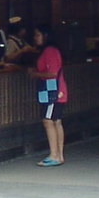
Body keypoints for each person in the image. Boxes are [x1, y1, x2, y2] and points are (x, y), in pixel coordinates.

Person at [30, 23, 67, 166]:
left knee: (48, 120)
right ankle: (59, 154)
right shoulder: (51, 50)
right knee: (56, 121)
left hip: (52, 90)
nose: (35, 38)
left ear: (45, 36)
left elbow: (52, 73)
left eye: (38, 35)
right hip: (58, 90)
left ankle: (54, 155)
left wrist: (35, 74)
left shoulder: (49, 51)